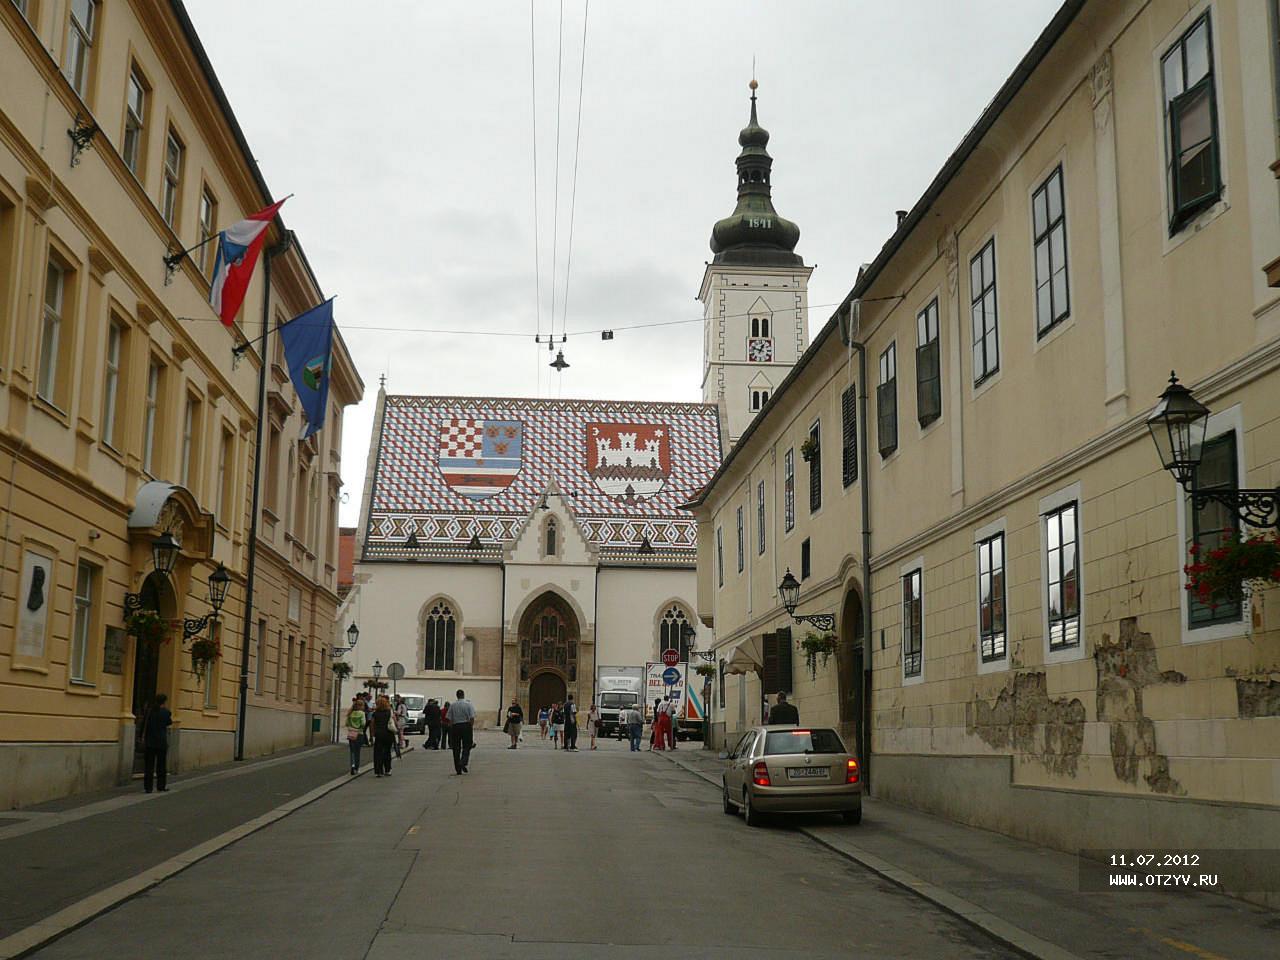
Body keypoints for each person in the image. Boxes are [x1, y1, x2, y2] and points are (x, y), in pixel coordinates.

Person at [142, 694, 172, 793]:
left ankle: (148, 787)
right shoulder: (166, 712)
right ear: (164, 702)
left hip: (150, 742)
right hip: (161, 742)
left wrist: (141, 737)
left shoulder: (149, 712)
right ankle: (161, 786)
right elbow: (169, 723)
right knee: (161, 765)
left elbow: (143, 725)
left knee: (149, 766)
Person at [447, 688, 476, 774]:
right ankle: (463, 761)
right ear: (463, 695)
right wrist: (470, 726)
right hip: (466, 725)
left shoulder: (452, 705)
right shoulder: (468, 704)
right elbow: (472, 717)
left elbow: (449, 718)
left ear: (457, 695)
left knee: (456, 747)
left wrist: (451, 727)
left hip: (456, 726)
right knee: (467, 745)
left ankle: (458, 768)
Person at [370, 695, 398, 777]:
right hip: (388, 734)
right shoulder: (389, 712)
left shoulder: (375, 713)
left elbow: (372, 724)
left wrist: (372, 735)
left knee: (378, 753)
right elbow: (395, 722)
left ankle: (379, 771)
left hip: (379, 734)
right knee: (387, 752)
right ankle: (388, 769)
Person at [344, 696, 367, 775]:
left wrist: (352, 726)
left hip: (351, 732)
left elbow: (346, 723)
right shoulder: (362, 713)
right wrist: (360, 727)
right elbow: (363, 723)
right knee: (358, 751)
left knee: (352, 751)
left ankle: (352, 766)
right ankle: (356, 767)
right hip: (359, 733)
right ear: (361, 706)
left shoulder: (350, 713)